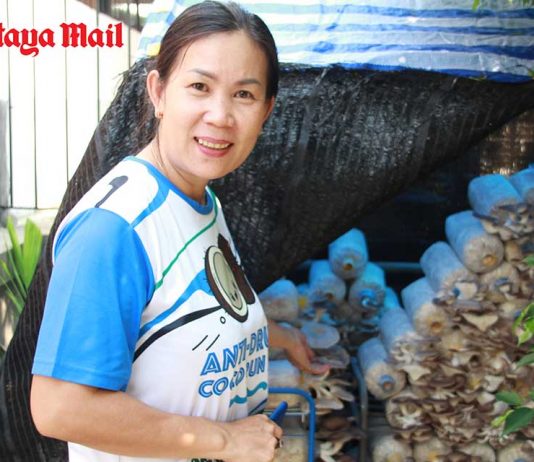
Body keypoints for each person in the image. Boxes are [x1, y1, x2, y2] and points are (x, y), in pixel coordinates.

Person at [30, 2, 328, 461]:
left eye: (244, 94)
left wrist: (278, 336)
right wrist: (227, 440)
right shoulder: (115, 229)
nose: (220, 115)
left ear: (267, 110)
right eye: (199, 87)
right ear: (159, 92)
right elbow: (61, 408)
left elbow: (188, 316)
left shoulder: (200, 202)